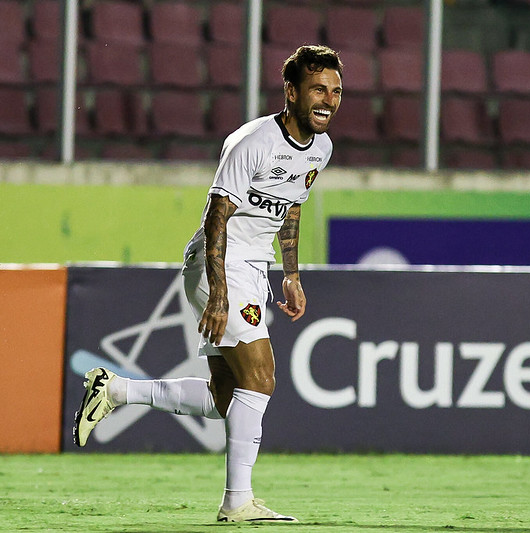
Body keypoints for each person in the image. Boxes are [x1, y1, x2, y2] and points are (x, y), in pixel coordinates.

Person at [72, 44, 344, 524]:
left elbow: (291, 207)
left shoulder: (321, 148)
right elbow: (217, 217)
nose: (328, 99)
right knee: (261, 378)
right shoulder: (253, 141)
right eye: (318, 89)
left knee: (226, 396)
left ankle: (115, 391)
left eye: (336, 91)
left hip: (253, 268)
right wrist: (218, 295)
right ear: (291, 92)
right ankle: (237, 501)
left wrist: (292, 273)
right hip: (219, 264)